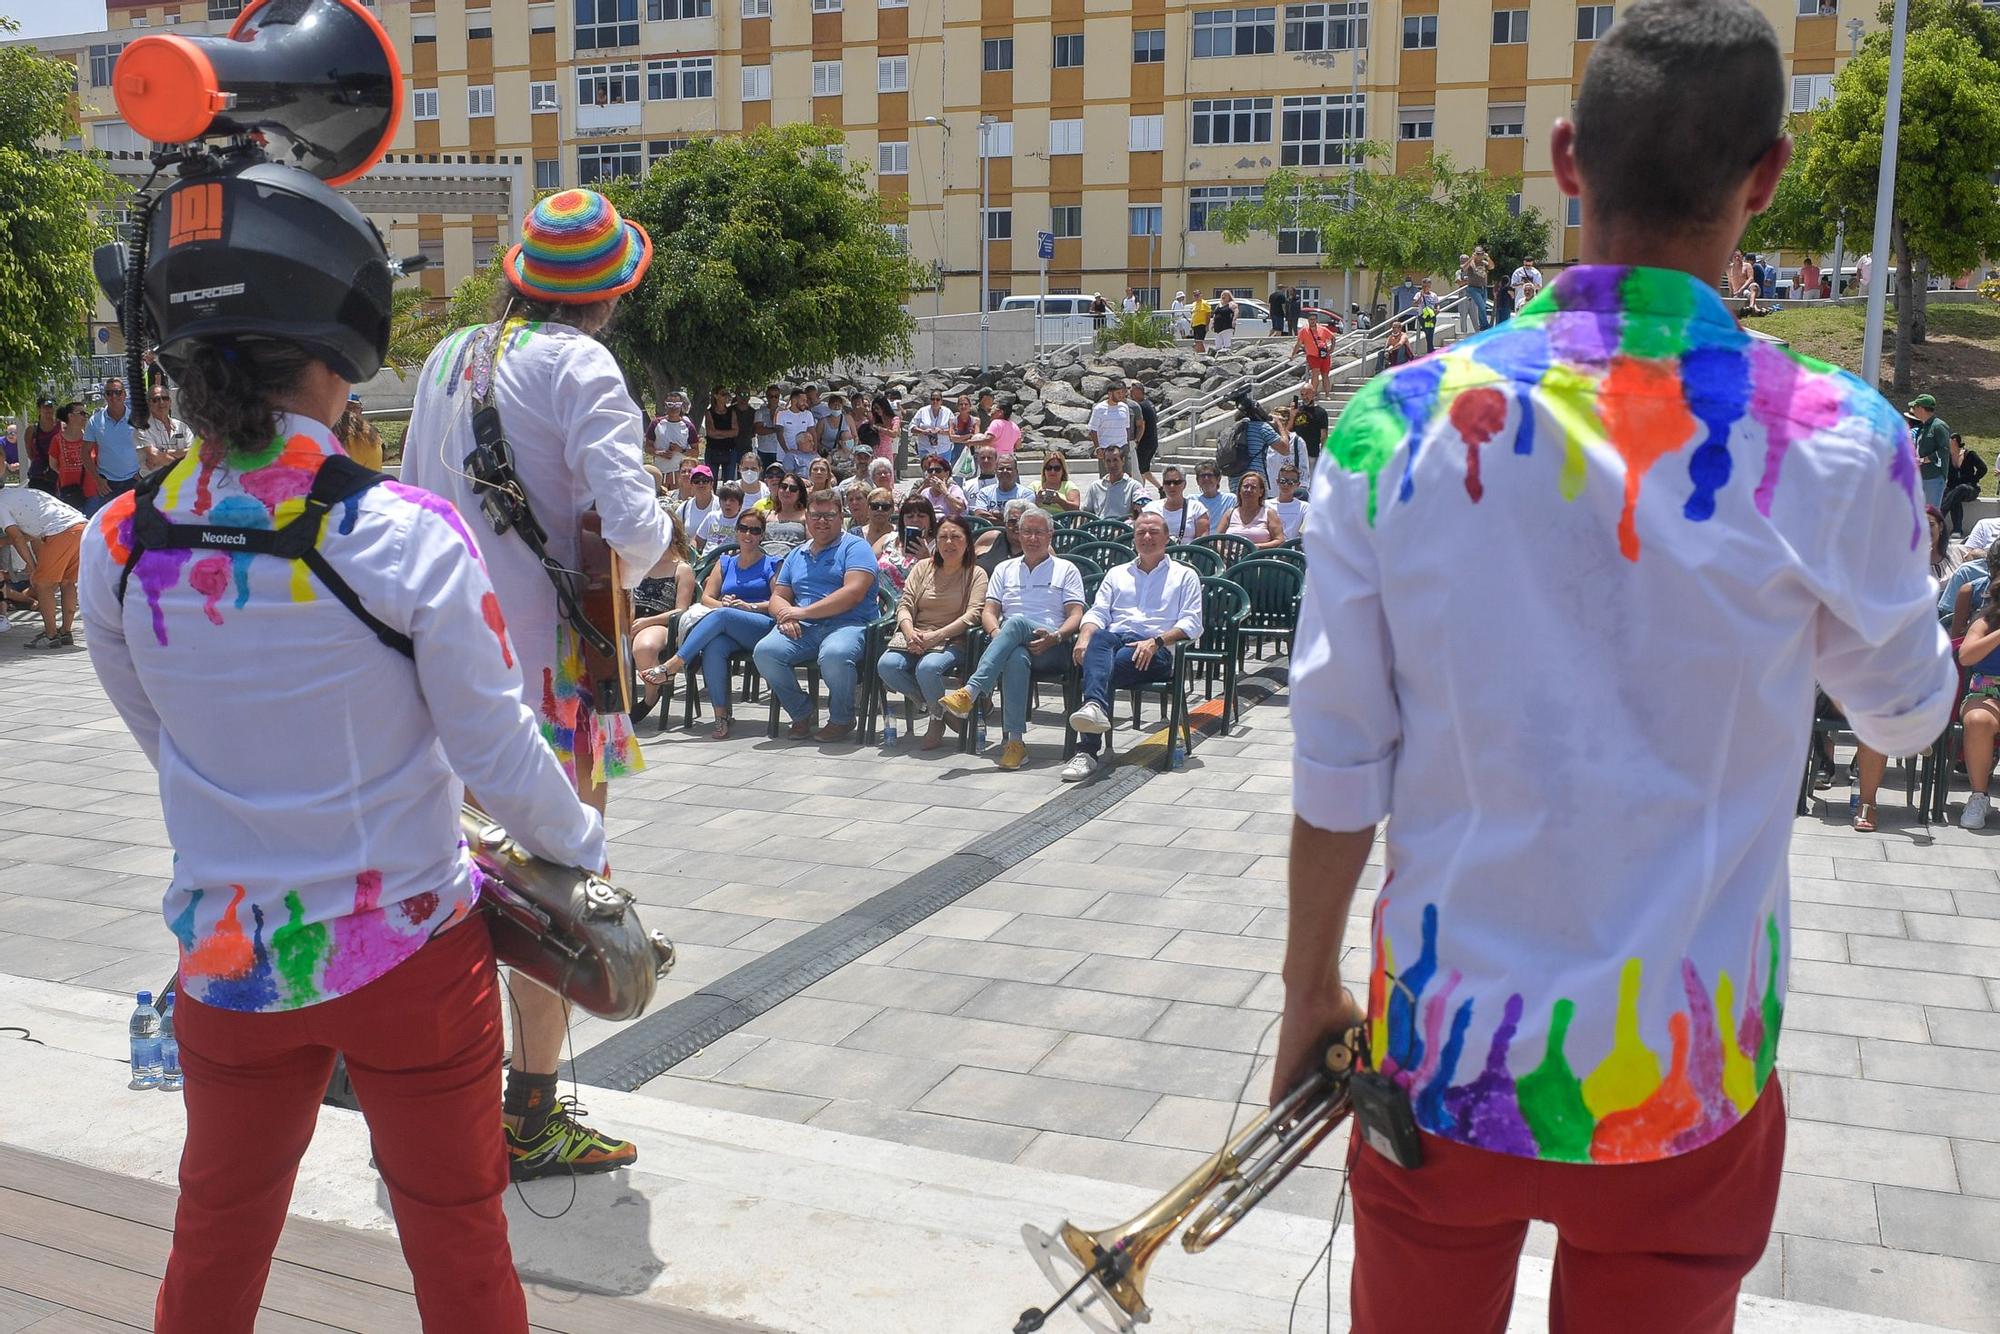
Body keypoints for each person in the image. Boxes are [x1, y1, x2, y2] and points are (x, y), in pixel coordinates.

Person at [1274, 4, 1955, 1330]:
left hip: (1441, 1064)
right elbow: (1910, 714)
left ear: (1569, 158)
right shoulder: (1836, 440)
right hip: (1684, 1085)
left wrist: (1307, 993)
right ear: (1766, 178)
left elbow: (1338, 760)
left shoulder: (1387, 427)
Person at [82, 172, 599, 1333]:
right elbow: (498, 751)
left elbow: (162, 737)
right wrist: (583, 848)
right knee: (459, 1239)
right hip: (409, 952)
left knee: (216, 1233)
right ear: (338, 342)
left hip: (227, 959)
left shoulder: (121, 539)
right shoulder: (404, 533)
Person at [401, 189, 669, 1183]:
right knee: (552, 896)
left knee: (449, 884)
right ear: (610, 295)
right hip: (550, 684)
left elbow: (420, 505)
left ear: (520, 278)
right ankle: (531, 1115)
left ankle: (437, 1095)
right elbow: (633, 534)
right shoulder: (583, 364)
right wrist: (653, 554)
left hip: (440, 666)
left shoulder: (446, 359)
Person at [938, 507, 1085, 771]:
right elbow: (990, 612)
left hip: (1052, 645)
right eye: (1026, 532)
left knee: (1015, 622)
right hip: (1012, 645)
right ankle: (1015, 744)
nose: (1032, 538)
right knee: (1015, 655)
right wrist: (998, 635)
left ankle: (971, 691)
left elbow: (1076, 614)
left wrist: (1057, 636)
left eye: (1039, 532)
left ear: (1051, 535)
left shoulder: (1066, 569)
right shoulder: (1005, 569)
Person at [1064, 512, 1204, 782]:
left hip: (1158, 650)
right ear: (1133, 538)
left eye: (1153, 532)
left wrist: (1157, 641)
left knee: (1100, 666)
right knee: (1099, 640)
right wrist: (1083, 637)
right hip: (1117, 641)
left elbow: (1193, 623)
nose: (1147, 538)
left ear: (1167, 537)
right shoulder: (1117, 574)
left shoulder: (1184, 576)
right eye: (1141, 533)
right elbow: (1098, 612)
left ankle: (1087, 750)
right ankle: (1094, 708)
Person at [754, 488, 880, 742]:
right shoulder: (797, 553)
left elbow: (853, 593)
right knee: (765, 652)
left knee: (835, 655)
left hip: (850, 624)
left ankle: (842, 719)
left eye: (829, 515)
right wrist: (785, 616)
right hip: (805, 627)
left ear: (841, 516)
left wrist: (802, 611)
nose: (821, 521)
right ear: (807, 518)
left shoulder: (856, 548)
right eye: (816, 515)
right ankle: (802, 712)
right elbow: (778, 596)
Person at [642, 509, 779, 739]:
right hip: (728, 622)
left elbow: (778, 601)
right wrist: (722, 602)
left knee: (722, 616)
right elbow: (706, 598)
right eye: (743, 528)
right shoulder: (725, 563)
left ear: (762, 535)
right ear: (736, 531)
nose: (748, 534)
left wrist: (749, 606)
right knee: (714, 648)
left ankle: (673, 665)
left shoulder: (772, 564)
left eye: (755, 530)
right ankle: (721, 716)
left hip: (761, 625)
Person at [877, 515, 989, 749]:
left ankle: (935, 721)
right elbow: (905, 604)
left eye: (956, 537)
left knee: (927, 668)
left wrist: (936, 637)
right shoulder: (921, 567)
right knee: (887, 665)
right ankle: (940, 710)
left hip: (952, 639)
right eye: (943, 537)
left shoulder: (976, 573)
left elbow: (973, 615)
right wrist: (909, 633)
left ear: (967, 541)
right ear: (935, 542)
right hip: (916, 635)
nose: (949, 543)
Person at [627, 515, 698, 723]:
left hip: (661, 622)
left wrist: (646, 622)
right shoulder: (640, 563)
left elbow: (680, 611)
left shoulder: (682, 568)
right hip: (633, 619)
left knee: (644, 646)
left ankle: (650, 697)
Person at [0, 484, 85, 648]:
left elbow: (17, 538)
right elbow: (28, 534)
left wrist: (32, 567)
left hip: (60, 532)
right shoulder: (21, 494)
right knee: (68, 582)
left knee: (42, 584)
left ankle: (51, 635)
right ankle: (65, 632)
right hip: (81, 526)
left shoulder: (1, 504)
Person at [1961, 569, 2000, 830]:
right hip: (1986, 694)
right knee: (1977, 720)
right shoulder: (1984, 622)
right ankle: (1978, 796)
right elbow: (1966, 657)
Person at [83, 377, 140, 506]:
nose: (114, 396)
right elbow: (85, 453)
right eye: (109, 393)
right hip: (107, 484)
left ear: (124, 395)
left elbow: (149, 447)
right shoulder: (95, 421)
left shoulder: (137, 419)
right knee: (111, 524)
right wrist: (97, 480)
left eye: (118, 392)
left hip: (134, 480)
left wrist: (143, 473)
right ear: (105, 396)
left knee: (135, 522)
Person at [875, 493, 938, 596]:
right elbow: (866, 564)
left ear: (930, 519)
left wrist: (927, 559)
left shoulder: (938, 546)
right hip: (880, 600)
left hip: (914, 603)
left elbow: (942, 581)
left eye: (921, 516)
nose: (915, 520)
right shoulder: (889, 539)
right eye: (910, 516)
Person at [138, 385, 195, 480]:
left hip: (180, 483)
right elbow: (154, 458)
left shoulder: (182, 427)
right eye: (156, 399)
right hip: (154, 486)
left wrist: (164, 453)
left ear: (170, 402)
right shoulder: (142, 429)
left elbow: (194, 453)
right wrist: (183, 455)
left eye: (165, 398)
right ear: (148, 403)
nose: (161, 402)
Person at [51, 401, 99, 511]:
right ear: (70, 416)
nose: (85, 416)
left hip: (92, 493)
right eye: (81, 413)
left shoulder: (92, 439)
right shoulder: (57, 440)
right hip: (69, 494)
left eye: (86, 413)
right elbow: (53, 465)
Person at [1219, 469, 1284, 547]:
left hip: (1258, 557)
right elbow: (1217, 539)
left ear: (1261, 492)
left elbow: (1279, 540)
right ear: (1239, 490)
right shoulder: (1230, 513)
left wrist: (1257, 547)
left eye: (1253, 487)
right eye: (1245, 486)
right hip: (1230, 557)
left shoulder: (1269, 514)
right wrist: (1223, 551)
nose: (1249, 490)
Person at [1910, 393, 1951, 510]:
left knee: (1931, 513)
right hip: (1920, 476)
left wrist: (1923, 460)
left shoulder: (1938, 426)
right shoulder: (1923, 427)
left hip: (1933, 477)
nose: (1912, 410)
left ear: (1921, 408)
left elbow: (1944, 450)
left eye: (1914, 407)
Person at [1942, 432, 1986, 538]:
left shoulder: (1969, 454)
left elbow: (1983, 468)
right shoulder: (1947, 457)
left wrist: (1973, 479)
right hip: (1954, 490)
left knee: (1960, 489)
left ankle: (1940, 515)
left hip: (1970, 489)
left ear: (1955, 441)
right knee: (1954, 495)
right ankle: (1957, 530)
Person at [1143, 466, 1203, 543]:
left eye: (1176, 482)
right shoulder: (1150, 508)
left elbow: (1202, 541)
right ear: (1163, 486)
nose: (1172, 486)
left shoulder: (1197, 508)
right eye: (1167, 483)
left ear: (1184, 484)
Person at [1087, 381, 1134, 477]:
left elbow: (1127, 427)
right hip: (1106, 448)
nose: (1121, 395)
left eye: (1122, 392)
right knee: (1107, 478)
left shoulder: (1124, 407)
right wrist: (1098, 448)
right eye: (1118, 393)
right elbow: (1093, 430)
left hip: (1122, 447)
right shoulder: (1099, 409)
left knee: (1127, 476)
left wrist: (1127, 444)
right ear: (1109, 394)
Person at [1084, 444, 1142, 520]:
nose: (1112, 465)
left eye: (1115, 460)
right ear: (1104, 463)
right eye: (1108, 461)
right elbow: (1086, 513)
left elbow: (1142, 510)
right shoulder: (1095, 486)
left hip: (1123, 529)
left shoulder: (1134, 486)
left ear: (1123, 461)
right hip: (1099, 529)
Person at [761, 473, 811, 559]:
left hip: (792, 561)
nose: (787, 491)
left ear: (800, 494)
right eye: (783, 486)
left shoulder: (806, 516)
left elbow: (811, 543)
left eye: (793, 489)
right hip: (764, 560)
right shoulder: (766, 515)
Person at [675, 464, 724, 549]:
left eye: (705, 481)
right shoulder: (684, 508)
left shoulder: (721, 506)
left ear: (711, 483)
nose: (701, 484)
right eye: (696, 481)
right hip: (690, 555)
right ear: (692, 484)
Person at [652, 394, 694, 491]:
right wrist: (659, 453)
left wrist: (681, 450)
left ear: (681, 405)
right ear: (666, 405)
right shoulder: (656, 424)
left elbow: (695, 451)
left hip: (679, 473)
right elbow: (647, 447)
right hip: (660, 471)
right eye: (670, 404)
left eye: (677, 404)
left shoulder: (688, 426)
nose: (674, 407)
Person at [975, 454, 1032, 519]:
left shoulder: (1026, 494)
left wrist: (995, 514)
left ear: (1016, 472)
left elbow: (1024, 519)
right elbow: (979, 514)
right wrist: (1009, 519)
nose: (1004, 471)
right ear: (995, 471)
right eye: (1001, 469)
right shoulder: (984, 492)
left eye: (1009, 469)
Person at [777, 387, 818, 476]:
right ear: (794, 400)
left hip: (802, 455)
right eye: (803, 400)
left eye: (806, 400)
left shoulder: (808, 414)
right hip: (784, 455)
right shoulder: (782, 415)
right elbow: (779, 434)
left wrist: (815, 448)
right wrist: (787, 451)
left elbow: (812, 431)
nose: (805, 403)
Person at [1296, 311, 1337, 398]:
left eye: (1314, 319)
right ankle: (1313, 395)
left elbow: (1333, 337)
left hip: (1324, 355)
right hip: (1313, 356)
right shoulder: (1304, 331)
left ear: (1316, 320)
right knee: (1315, 374)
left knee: (1325, 375)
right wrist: (1293, 354)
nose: (1312, 321)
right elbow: (1298, 343)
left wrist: (1331, 349)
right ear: (1308, 320)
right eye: (1311, 319)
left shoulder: (1322, 329)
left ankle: (1327, 395)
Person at [1129, 381, 1161, 492]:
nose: (1130, 393)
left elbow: (1141, 425)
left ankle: (1140, 492)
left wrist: (1137, 441)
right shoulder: (1149, 404)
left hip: (1145, 442)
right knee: (1144, 469)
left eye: (1132, 391)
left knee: (1139, 470)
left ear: (1138, 392)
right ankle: (1160, 488)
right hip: (1152, 441)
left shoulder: (1140, 407)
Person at [703, 387, 740, 481]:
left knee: (729, 482)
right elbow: (710, 433)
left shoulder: (732, 412)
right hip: (713, 450)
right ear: (716, 396)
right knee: (711, 480)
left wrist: (718, 433)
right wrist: (727, 433)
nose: (725, 396)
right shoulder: (709, 412)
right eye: (723, 394)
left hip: (730, 450)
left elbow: (735, 432)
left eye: (726, 394)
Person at [915, 453, 968, 518]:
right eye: (930, 471)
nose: (933, 473)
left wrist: (945, 492)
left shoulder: (954, 489)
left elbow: (959, 508)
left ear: (947, 474)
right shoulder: (925, 492)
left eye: (938, 470)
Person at [911, 388, 953, 466]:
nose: (935, 401)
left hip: (943, 449)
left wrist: (941, 431)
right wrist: (923, 431)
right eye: (933, 399)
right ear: (930, 400)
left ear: (941, 401)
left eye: (938, 399)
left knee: (943, 473)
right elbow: (912, 427)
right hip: (925, 448)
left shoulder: (948, 412)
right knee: (927, 473)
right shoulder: (922, 411)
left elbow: (953, 430)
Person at [26, 397, 59, 494]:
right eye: (45, 407)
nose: (48, 410)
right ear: (39, 409)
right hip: (38, 475)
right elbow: (30, 454)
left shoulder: (61, 426)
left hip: (58, 474)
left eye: (51, 407)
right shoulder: (31, 430)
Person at [1292, 382, 1330, 465]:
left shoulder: (1321, 412)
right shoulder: (1297, 411)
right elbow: (1290, 430)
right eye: (1302, 394)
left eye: (1307, 394)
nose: (1304, 397)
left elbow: (1324, 437)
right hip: (1296, 453)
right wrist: (1292, 414)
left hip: (1311, 454)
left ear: (1313, 393)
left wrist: (1323, 456)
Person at [1189, 464, 1234, 534]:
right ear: (1197, 481)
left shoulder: (1230, 500)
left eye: (1209, 475)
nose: (1206, 478)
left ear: (1218, 479)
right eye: (1202, 476)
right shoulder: (1191, 500)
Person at [1270, 465, 1310, 539]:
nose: (1286, 485)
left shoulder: (1305, 507)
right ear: (1277, 482)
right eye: (1283, 481)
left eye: (1291, 482)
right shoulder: (1266, 505)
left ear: (1298, 485)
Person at [1460, 246, 1493, 330]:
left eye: (1481, 254)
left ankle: (1482, 325)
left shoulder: (1484, 262)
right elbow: (1463, 268)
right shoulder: (1471, 263)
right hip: (1473, 288)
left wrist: (1488, 258)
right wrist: (1472, 258)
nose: (1480, 255)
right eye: (1478, 254)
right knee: (1481, 306)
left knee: (1482, 307)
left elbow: (1492, 267)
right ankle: (1485, 325)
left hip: (1483, 288)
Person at [752, 384, 784, 468]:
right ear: (767, 397)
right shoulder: (760, 412)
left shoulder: (784, 412)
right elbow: (759, 430)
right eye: (771, 396)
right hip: (764, 450)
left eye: (776, 396)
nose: (773, 399)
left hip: (780, 450)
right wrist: (775, 430)